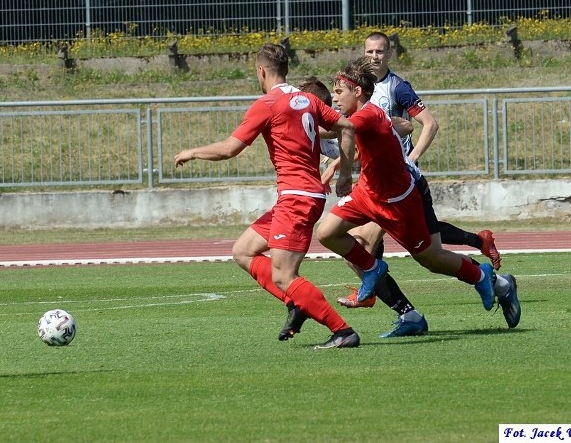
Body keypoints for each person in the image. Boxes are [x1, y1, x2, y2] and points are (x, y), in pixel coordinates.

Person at [313, 56, 520, 335]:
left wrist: (302, 118)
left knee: (431, 259)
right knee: (326, 232)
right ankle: (375, 273)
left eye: (338, 92)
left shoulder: (369, 115)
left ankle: (482, 276)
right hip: (368, 194)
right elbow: (348, 131)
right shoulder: (363, 116)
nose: (335, 99)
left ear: (357, 91)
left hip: (397, 202)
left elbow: (338, 129)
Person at [173, 44, 361, 349]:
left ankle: (342, 330)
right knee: (243, 251)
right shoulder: (308, 99)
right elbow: (347, 125)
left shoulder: (268, 103)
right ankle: (297, 303)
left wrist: (192, 152)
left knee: (285, 276)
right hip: (301, 194)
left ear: (262, 70)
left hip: (297, 197)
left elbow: (230, 148)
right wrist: (345, 174)